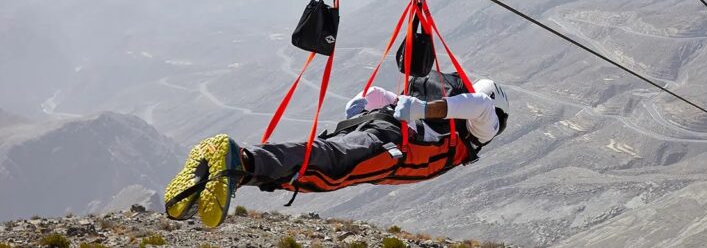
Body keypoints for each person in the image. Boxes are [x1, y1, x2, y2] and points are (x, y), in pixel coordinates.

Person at [163, 73, 510, 227]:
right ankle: (237, 160)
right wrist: (416, 109)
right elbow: (480, 105)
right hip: (394, 148)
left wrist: (382, 101)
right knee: (327, 170)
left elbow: (395, 103)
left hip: (387, 132)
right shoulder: (482, 123)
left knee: (322, 159)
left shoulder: (449, 118)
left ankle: (220, 174)